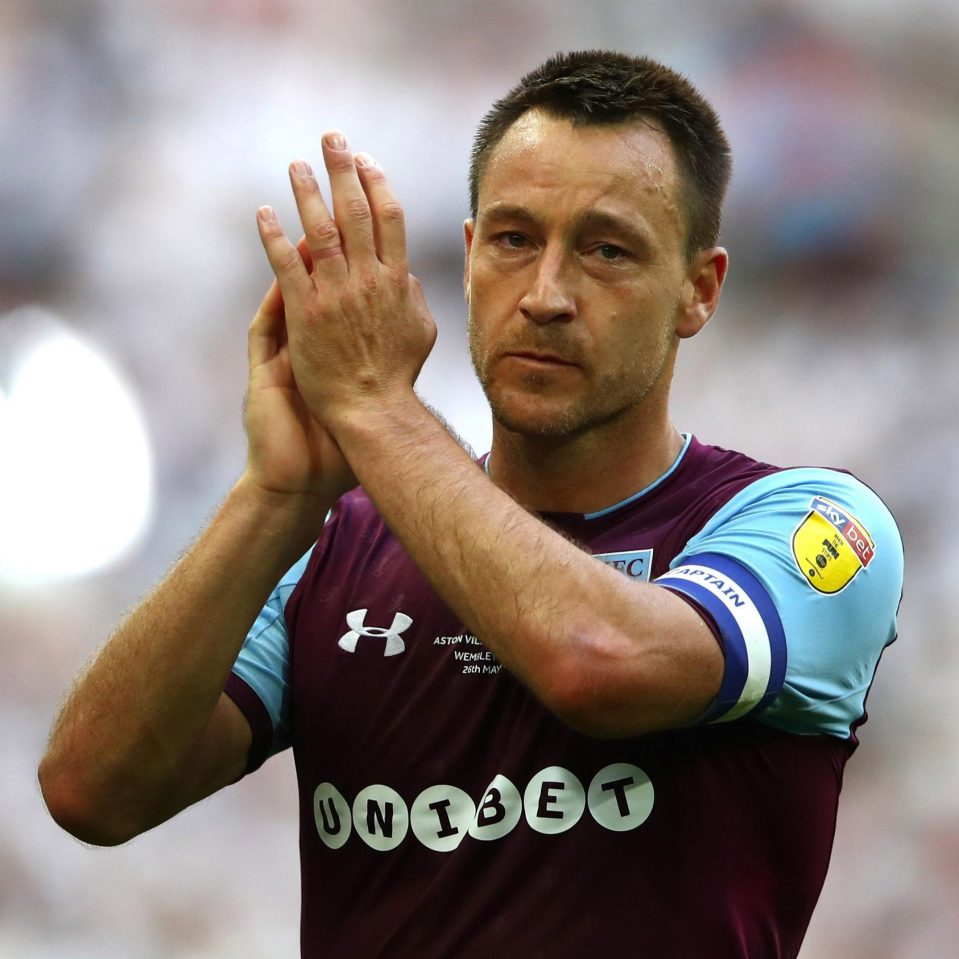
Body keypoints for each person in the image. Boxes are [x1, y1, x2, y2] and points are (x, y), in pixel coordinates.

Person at [39, 51, 903, 958]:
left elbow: (593, 663)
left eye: (607, 249)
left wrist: (378, 410)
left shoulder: (810, 523)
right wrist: (274, 495)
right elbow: (92, 793)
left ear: (700, 288)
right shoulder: (333, 545)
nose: (545, 296)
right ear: (467, 255)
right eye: (513, 239)